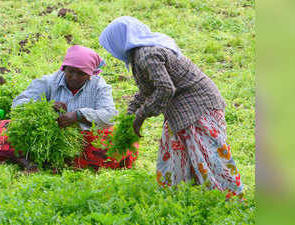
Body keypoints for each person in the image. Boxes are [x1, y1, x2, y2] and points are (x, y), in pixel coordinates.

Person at [99, 16, 243, 199]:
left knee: (208, 155)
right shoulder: (139, 56)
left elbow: (165, 89)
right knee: (175, 152)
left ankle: (228, 199)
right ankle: (180, 197)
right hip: (182, 110)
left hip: (199, 107)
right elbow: (146, 91)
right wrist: (129, 118)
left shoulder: (147, 55)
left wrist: (140, 117)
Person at [0, 45, 138, 171]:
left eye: (81, 73)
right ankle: (29, 163)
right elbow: (18, 104)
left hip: (82, 140)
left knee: (121, 143)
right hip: (45, 137)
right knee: (8, 127)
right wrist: (44, 107)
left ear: (90, 75)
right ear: (64, 69)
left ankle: (52, 161)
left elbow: (110, 116)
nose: (74, 77)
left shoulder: (99, 86)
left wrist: (78, 115)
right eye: (71, 71)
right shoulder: (49, 82)